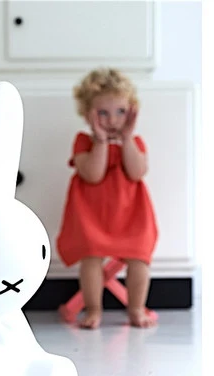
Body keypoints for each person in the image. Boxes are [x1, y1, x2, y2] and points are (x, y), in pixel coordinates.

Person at [56, 67, 158, 329]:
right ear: (87, 113)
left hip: (130, 214)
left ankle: (136, 309)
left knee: (140, 260)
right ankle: (93, 310)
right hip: (93, 216)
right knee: (91, 258)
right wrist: (101, 141)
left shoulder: (135, 142)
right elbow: (92, 175)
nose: (112, 120)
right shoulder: (84, 142)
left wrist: (126, 139)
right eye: (103, 113)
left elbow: (137, 172)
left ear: (131, 111)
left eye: (120, 111)